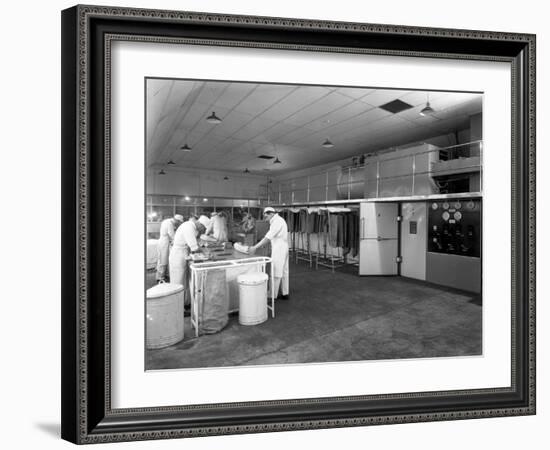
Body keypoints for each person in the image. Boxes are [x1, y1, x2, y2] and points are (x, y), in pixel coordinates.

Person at [249, 207, 289, 300]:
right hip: (283, 246)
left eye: (266, 214)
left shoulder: (277, 222)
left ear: (271, 213)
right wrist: (264, 244)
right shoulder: (278, 220)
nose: (264, 216)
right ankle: (285, 292)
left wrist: (255, 247)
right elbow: (271, 237)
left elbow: (267, 237)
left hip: (279, 248)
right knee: (284, 270)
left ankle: (272, 294)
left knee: (276, 271)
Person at [169, 216, 206, 305]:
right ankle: (176, 306)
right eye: (203, 228)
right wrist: (204, 253)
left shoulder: (191, 226)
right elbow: (194, 246)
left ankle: (184, 304)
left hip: (182, 253)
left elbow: (195, 242)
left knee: (183, 281)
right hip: (178, 255)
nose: (202, 230)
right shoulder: (188, 227)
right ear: (199, 224)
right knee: (178, 282)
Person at [155, 214, 184, 282]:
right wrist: (178, 240)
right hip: (164, 242)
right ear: (176, 220)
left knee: (165, 259)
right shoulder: (169, 223)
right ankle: (160, 277)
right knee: (163, 260)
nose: (178, 224)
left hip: (165, 241)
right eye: (179, 222)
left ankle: (164, 275)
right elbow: (172, 235)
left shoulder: (168, 221)